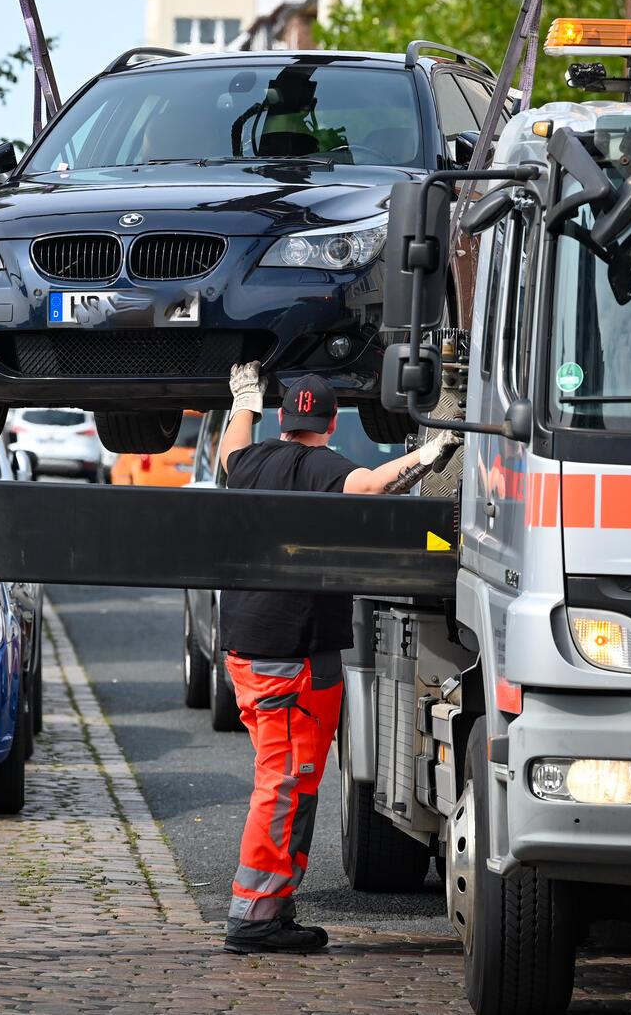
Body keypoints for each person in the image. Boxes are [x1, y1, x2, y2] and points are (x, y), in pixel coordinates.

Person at [213, 362, 459, 954]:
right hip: (294, 656)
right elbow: (373, 488)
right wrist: (431, 453)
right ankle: (254, 916)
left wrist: (240, 400)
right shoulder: (326, 468)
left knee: (288, 781)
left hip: (249, 651)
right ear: (328, 423)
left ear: (283, 418)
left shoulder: (253, 464)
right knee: (285, 783)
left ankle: (273, 906)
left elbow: (228, 454)